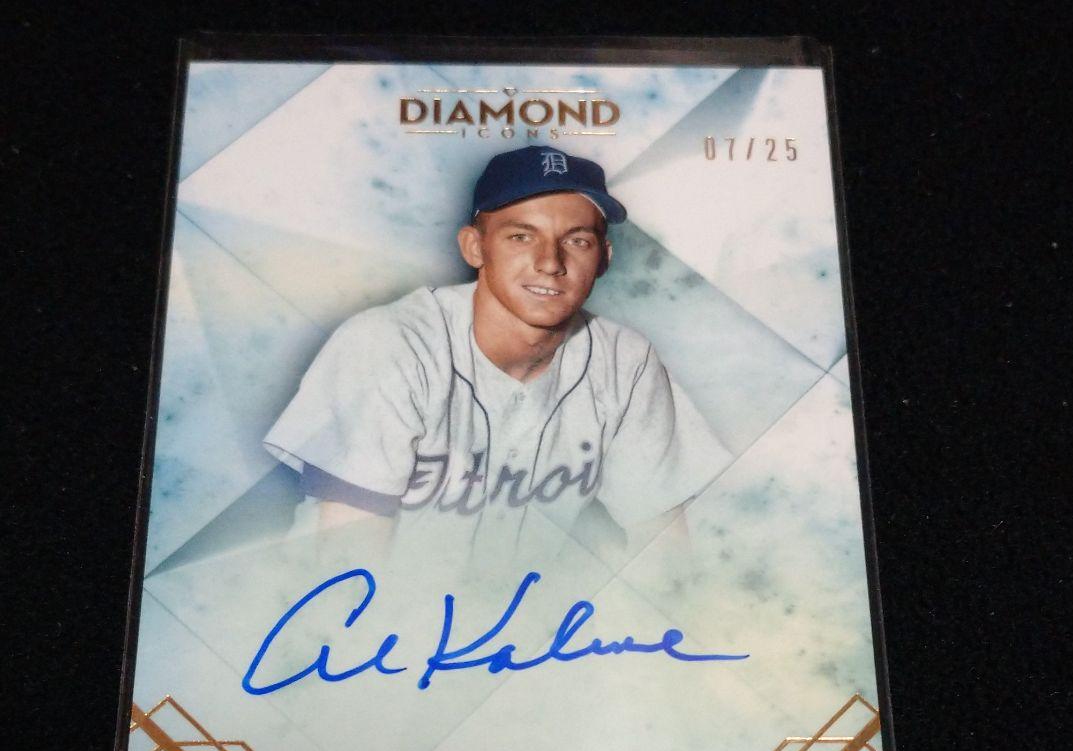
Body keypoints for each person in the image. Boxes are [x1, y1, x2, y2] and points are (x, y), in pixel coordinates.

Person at [264, 144, 730, 571]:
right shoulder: (389, 344)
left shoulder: (625, 363)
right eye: (521, 237)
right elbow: (343, 564)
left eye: (577, 241)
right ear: (475, 246)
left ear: (604, 258)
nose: (550, 262)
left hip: (510, 622)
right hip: (337, 612)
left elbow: (665, 551)